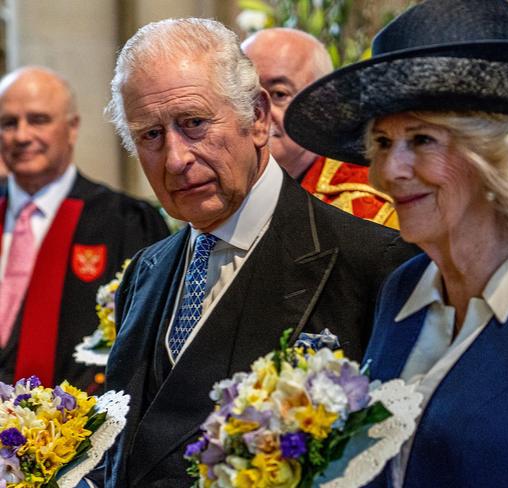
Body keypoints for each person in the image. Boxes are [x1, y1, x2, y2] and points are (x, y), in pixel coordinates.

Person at [284, 0, 508, 486]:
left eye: (421, 140)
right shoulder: (405, 289)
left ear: (495, 154)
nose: (389, 172)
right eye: (382, 143)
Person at [99, 18, 416, 487]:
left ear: (258, 118)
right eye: (150, 135)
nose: (175, 159)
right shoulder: (145, 271)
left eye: (194, 123)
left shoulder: (372, 263)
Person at [0, 66, 169, 392]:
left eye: (38, 120)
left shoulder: (126, 221)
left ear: (72, 127)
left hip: (77, 430)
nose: (21, 136)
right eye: (8, 123)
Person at [242, 28, 398, 228]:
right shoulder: (221, 187)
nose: (258, 113)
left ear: (326, 104)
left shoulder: (361, 207)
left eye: (278, 94)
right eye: (247, 95)